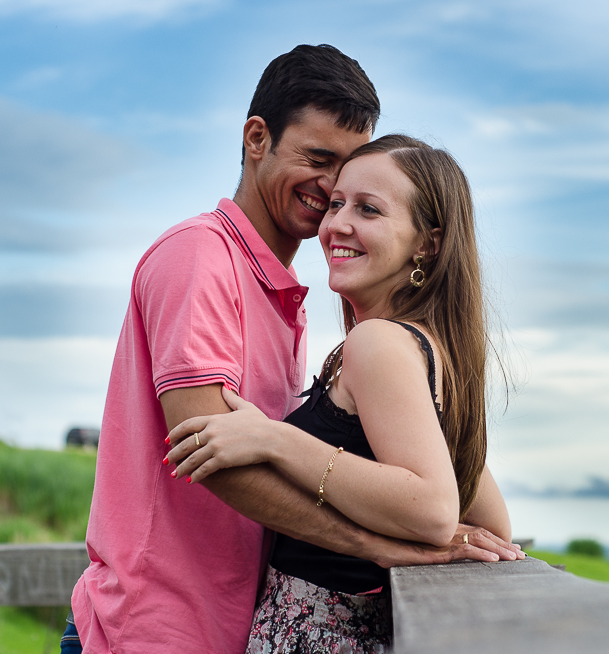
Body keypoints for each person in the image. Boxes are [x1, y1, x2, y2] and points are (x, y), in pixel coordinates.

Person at [66, 47, 520, 654]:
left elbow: (446, 488)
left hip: (233, 627)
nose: (330, 187)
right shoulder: (200, 258)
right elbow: (210, 454)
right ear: (257, 138)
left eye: (349, 173)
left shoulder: (294, 301)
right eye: (318, 159)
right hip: (159, 628)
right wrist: (371, 545)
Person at [165, 134, 517, 653]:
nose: (336, 225)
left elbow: (435, 508)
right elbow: (490, 525)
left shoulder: (377, 343)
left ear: (428, 243)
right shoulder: (428, 350)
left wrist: (274, 441)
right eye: (336, 204)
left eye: (368, 209)